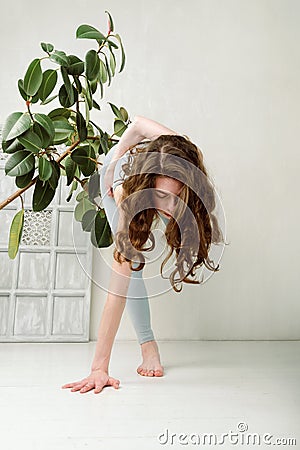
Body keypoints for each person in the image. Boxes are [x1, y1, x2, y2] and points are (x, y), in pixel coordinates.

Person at [62, 115, 224, 394]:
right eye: (161, 197)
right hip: (120, 180)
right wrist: (98, 369)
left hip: (145, 165)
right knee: (131, 267)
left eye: (176, 197)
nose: (170, 208)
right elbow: (117, 291)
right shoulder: (127, 197)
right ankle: (148, 345)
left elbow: (139, 125)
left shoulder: (189, 157)